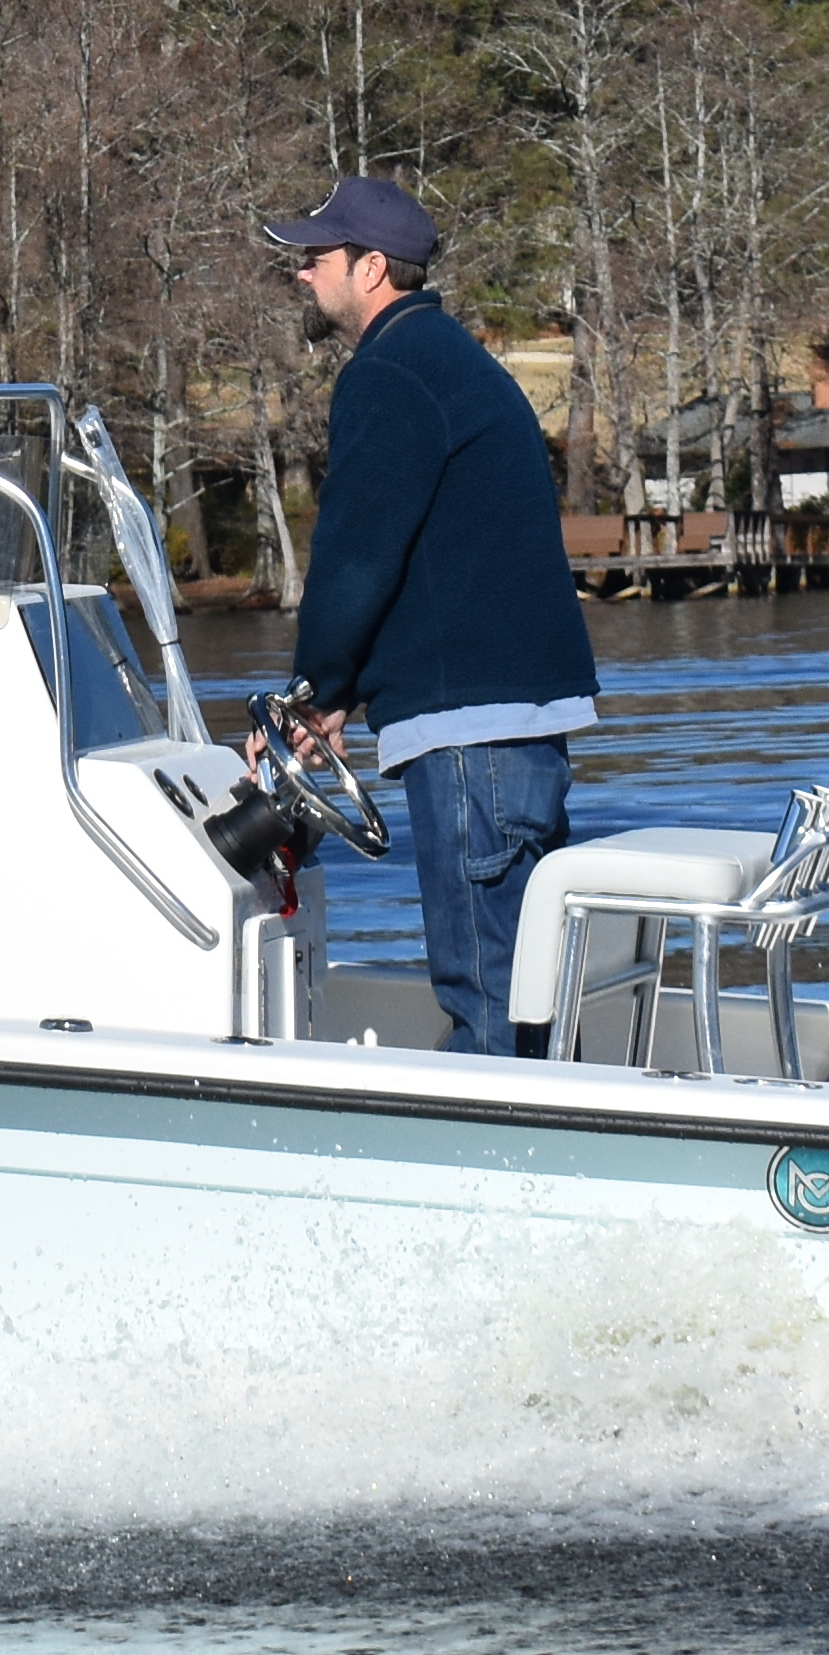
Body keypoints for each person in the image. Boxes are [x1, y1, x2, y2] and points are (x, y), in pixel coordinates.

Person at [261, 174, 597, 1057]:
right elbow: (430, 564)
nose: (302, 274)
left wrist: (311, 691)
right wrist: (342, 698)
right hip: (515, 730)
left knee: (485, 996)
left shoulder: (389, 374)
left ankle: (495, 1183)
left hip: (470, 742)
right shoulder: (448, 357)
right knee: (523, 996)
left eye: (316, 258)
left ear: (371, 269)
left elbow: (359, 553)